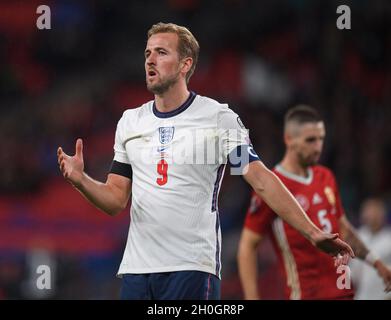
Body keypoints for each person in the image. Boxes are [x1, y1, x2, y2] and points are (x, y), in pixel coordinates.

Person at [57, 23, 353, 300]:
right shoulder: (130, 122)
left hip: (191, 268)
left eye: (161, 52)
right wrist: (81, 180)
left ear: (186, 65)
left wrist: (313, 231)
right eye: (147, 53)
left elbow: (260, 180)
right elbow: (116, 199)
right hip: (137, 271)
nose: (150, 60)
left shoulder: (217, 119)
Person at [237, 105, 391, 300]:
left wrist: (377, 264)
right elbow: (247, 246)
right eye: (310, 140)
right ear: (289, 140)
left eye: (321, 139)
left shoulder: (325, 177)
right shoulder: (273, 187)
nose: (318, 146)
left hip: (344, 294)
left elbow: (343, 231)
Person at [350, 198, 391, 299]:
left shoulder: (389, 237)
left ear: (382, 215)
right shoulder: (358, 236)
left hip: (384, 295)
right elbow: (353, 271)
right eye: (369, 212)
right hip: (362, 295)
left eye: (376, 212)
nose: (372, 216)